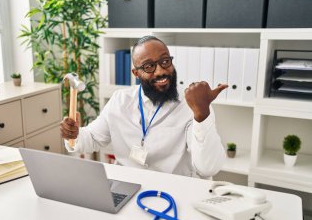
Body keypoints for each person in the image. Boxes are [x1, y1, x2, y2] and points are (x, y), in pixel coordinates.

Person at [60, 35, 228, 178]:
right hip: (127, 186)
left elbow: (208, 169)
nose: (160, 71)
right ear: (136, 73)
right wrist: (74, 134)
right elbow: (93, 139)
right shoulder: (120, 100)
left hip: (173, 192)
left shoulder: (195, 104)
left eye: (165, 61)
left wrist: (202, 115)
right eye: (149, 66)